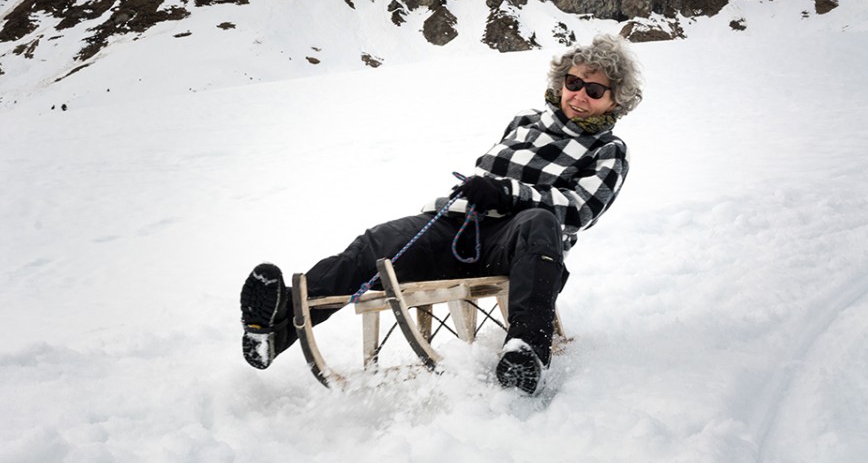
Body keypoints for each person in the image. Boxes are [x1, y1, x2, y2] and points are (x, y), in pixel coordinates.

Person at [240, 33, 642, 394]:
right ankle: (282, 319)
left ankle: (525, 351)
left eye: (594, 90)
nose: (579, 95)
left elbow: (579, 210)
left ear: (614, 100)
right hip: (460, 226)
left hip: (520, 245)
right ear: (561, 82)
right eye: (574, 83)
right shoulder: (524, 123)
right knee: (379, 241)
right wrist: (477, 189)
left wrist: (505, 191)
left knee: (539, 220)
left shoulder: (608, 150)